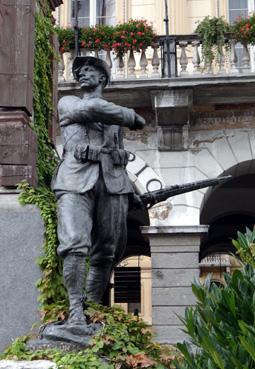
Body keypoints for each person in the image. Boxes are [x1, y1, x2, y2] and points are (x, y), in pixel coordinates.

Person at [52, 56, 145, 325]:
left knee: (106, 251)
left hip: (112, 182)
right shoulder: (69, 102)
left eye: (89, 70)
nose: (81, 73)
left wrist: (130, 192)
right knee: (74, 244)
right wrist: (130, 115)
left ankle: (91, 307)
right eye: (79, 71)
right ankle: (74, 311)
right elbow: (92, 109)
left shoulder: (112, 118)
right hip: (74, 179)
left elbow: (117, 152)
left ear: (103, 78)